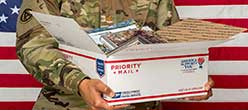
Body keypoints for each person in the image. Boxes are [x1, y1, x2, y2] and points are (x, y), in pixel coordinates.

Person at [16, 0, 214, 110]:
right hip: (68, 105)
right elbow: (34, 46)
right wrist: (80, 83)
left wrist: (188, 80)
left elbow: (170, 44)